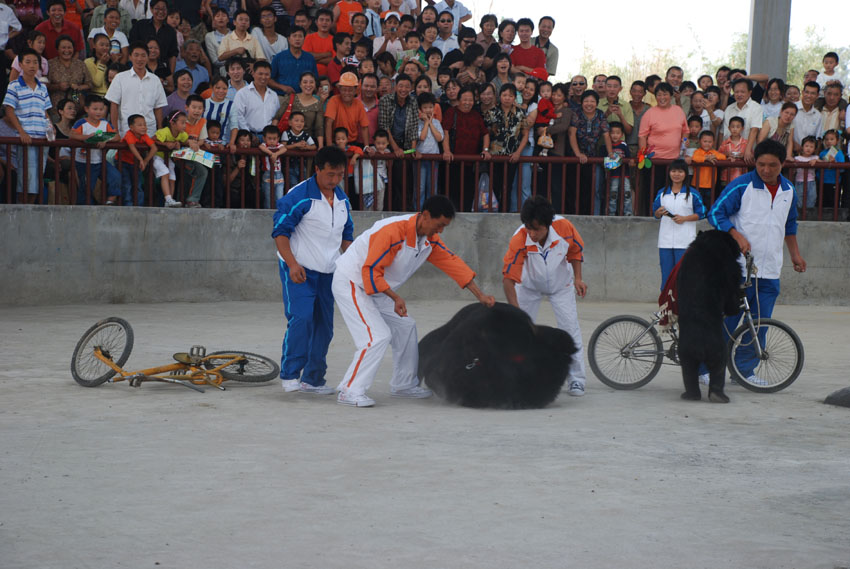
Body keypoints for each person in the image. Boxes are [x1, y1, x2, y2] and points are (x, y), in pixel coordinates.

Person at [332, 194, 495, 407]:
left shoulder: (430, 240)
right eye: (439, 225)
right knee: (376, 336)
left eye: (445, 226)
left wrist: (480, 295)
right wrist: (395, 297)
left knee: (406, 327)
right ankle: (349, 390)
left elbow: (453, 263)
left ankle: (404, 385)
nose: (441, 231)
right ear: (425, 216)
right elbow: (370, 271)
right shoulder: (392, 231)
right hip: (353, 282)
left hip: (378, 288)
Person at [708, 139, 806, 386]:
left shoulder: (789, 191)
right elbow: (715, 213)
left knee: (759, 325)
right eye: (761, 164)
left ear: (782, 164)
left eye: (772, 165)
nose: (765, 170)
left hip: (770, 269)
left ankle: (744, 371)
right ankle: (707, 367)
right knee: (727, 320)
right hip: (737, 268)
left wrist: (795, 254)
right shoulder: (742, 185)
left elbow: (790, 225)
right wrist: (735, 234)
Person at [502, 195, 587, 396]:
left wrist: (578, 279)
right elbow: (508, 279)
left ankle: (576, 379)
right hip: (528, 286)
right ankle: (516, 375)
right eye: (528, 228)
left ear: (548, 225)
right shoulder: (519, 238)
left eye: (536, 229)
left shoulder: (565, 227)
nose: (531, 233)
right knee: (520, 331)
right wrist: (516, 312)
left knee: (570, 328)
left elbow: (575, 252)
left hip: (561, 285)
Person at [3, 48, 53, 203]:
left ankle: (27, 212)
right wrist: (21, 132)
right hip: (26, 139)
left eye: (35, 62)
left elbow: (45, 112)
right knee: (26, 181)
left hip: (42, 139)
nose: (32, 65)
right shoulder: (14, 85)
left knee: (37, 180)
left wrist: (50, 129)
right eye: (28, 62)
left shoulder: (42, 87)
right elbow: (9, 110)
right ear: (20, 64)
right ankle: (21, 213)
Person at [652, 158, 705, 289]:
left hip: (685, 240)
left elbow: (702, 213)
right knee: (666, 274)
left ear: (686, 174)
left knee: (683, 274)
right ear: (669, 173)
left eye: (680, 171)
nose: (676, 174)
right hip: (665, 241)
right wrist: (658, 212)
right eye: (674, 171)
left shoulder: (693, 193)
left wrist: (685, 218)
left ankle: (682, 306)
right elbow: (655, 214)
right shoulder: (662, 193)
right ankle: (665, 306)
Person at [441, 84, 489, 212]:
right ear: (459, 99)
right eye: (465, 99)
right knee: (452, 194)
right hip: (453, 162)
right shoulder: (452, 112)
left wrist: (486, 150)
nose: (467, 103)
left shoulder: (476, 115)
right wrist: (446, 150)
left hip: (471, 164)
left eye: (470, 100)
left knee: (468, 195)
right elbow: (445, 132)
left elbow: (485, 133)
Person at [68, 94, 122, 205]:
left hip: (100, 161)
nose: (99, 112)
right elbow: (72, 134)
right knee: (87, 187)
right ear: (86, 109)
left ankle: (110, 201)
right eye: (95, 109)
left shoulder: (105, 123)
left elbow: (117, 136)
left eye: (101, 109)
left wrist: (104, 139)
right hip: (84, 162)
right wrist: (87, 138)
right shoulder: (82, 123)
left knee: (115, 176)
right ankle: (84, 208)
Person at [568, 89, 612, 215]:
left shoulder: (600, 114)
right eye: (586, 101)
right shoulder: (576, 113)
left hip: (594, 157)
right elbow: (572, 133)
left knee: (594, 188)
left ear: (597, 103)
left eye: (592, 101)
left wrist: (610, 153)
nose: (589, 104)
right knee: (575, 188)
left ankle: (593, 214)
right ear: (581, 103)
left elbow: (606, 135)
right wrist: (578, 154)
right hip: (576, 157)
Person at [229, 60, 280, 147]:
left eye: (267, 74)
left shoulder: (273, 95)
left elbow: (276, 116)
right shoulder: (243, 93)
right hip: (246, 139)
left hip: (268, 140)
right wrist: (249, 135)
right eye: (260, 74)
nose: (263, 77)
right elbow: (238, 115)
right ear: (253, 73)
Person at [153, 110, 197, 207]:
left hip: (167, 159)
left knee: (172, 176)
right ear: (172, 123)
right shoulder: (164, 131)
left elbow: (186, 141)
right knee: (165, 172)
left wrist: (182, 143)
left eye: (185, 122)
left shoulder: (182, 134)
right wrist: (165, 144)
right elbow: (153, 139)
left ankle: (170, 200)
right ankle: (168, 199)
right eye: (182, 123)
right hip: (157, 157)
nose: (185, 125)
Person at [118, 114, 159, 206]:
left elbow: (154, 148)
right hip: (123, 162)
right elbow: (131, 147)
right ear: (131, 127)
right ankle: (128, 205)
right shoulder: (129, 134)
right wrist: (141, 159)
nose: (143, 127)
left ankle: (139, 205)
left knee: (138, 185)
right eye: (140, 125)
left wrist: (145, 161)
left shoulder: (144, 136)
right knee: (127, 185)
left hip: (135, 163)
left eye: (144, 124)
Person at [46, 34, 93, 115]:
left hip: (77, 106)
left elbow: (90, 84)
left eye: (69, 47)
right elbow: (45, 85)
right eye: (63, 48)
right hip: (56, 107)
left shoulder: (80, 64)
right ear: (57, 49)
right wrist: (58, 86)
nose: (67, 50)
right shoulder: (50, 64)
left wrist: (79, 87)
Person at [128, 0, 178, 74]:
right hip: (140, 69)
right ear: (151, 9)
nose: (160, 12)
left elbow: (172, 55)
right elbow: (131, 48)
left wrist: (170, 75)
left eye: (163, 9)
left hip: (161, 71)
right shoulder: (140, 25)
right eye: (157, 8)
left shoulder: (171, 31)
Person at [323, 71, 370, 146]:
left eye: (350, 90)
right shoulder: (334, 100)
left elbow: (364, 127)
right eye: (344, 90)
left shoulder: (359, 104)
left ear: (355, 91)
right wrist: (329, 145)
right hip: (335, 142)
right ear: (340, 89)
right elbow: (328, 123)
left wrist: (366, 146)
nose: (347, 93)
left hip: (352, 142)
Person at [414, 91, 443, 208]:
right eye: (425, 107)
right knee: (420, 188)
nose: (428, 110)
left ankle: (431, 211)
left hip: (433, 160)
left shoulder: (437, 122)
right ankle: (419, 212)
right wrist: (426, 122)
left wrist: (431, 123)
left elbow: (439, 138)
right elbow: (422, 137)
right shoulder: (416, 123)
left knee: (432, 188)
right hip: (420, 160)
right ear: (420, 109)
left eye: (431, 107)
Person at [722, 78, 763, 161]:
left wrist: (747, 151)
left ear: (750, 92)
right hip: (730, 156)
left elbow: (754, 130)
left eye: (742, 92)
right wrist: (724, 151)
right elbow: (725, 132)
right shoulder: (729, 108)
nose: (739, 94)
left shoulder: (756, 107)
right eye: (736, 92)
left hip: (747, 156)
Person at [270, 26, 317, 96]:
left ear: (304, 39)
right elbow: (269, 79)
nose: (297, 39)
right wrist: (282, 87)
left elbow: (315, 79)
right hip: (283, 96)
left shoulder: (310, 58)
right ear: (288, 39)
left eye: (300, 36)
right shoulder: (279, 57)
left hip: (305, 97)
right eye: (294, 36)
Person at [280, 111, 317, 188]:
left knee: (302, 185)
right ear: (290, 123)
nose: (299, 123)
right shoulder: (286, 133)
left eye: (302, 121)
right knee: (293, 185)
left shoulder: (305, 135)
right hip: (289, 165)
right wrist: (296, 145)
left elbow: (314, 146)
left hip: (302, 165)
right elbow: (282, 146)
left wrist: (306, 147)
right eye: (296, 121)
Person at [690, 130, 725, 205]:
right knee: (696, 203)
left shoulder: (714, 152)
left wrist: (714, 156)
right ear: (700, 141)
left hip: (710, 185)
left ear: (713, 142)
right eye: (705, 141)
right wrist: (706, 158)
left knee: (708, 203)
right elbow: (695, 158)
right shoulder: (697, 151)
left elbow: (723, 157)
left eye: (709, 142)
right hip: (697, 184)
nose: (707, 144)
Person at [606, 121, 632, 215]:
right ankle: (611, 213)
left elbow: (629, 158)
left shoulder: (624, 145)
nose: (615, 135)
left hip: (625, 174)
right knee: (613, 194)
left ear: (622, 134)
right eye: (612, 133)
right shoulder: (606, 146)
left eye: (617, 133)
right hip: (613, 175)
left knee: (627, 193)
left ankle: (628, 213)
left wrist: (629, 161)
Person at [259, 124, 286, 207]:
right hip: (268, 174)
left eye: (274, 139)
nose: (272, 141)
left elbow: (284, 148)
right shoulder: (264, 145)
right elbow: (261, 147)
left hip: (279, 174)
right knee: (268, 197)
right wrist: (272, 154)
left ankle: (278, 215)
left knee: (279, 197)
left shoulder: (279, 145)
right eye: (269, 139)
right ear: (264, 138)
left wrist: (276, 154)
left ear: (278, 139)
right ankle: (267, 216)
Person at [818, 129, 845, 208]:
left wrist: (835, 162)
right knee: (823, 200)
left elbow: (842, 169)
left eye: (832, 139)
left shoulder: (839, 153)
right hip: (823, 181)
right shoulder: (822, 153)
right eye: (827, 139)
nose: (829, 141)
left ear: (837, 140)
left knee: (833, 200)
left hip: (834, 181)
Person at [792, 81, 822, 152]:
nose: (809, 96)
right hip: (790, 152)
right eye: (807, 92)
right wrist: (793, 144)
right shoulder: (792, 108)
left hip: (808, 156)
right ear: (802, 92)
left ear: (817, 95)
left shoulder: (818, 115)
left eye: (812, 93)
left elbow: (818, 138)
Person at [793, 136, 818, 209]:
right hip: (799, 181)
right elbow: (793, 170)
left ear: (814, 149)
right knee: (798, 198)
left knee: (812, 197)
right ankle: (800, 214)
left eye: (811, 147)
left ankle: (808, 214)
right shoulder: (797, 158)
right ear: (802, 147)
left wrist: (816, 161)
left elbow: (823, 162)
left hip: (811, 182)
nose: (808, 148)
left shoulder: (815, 157)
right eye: (806, 146)